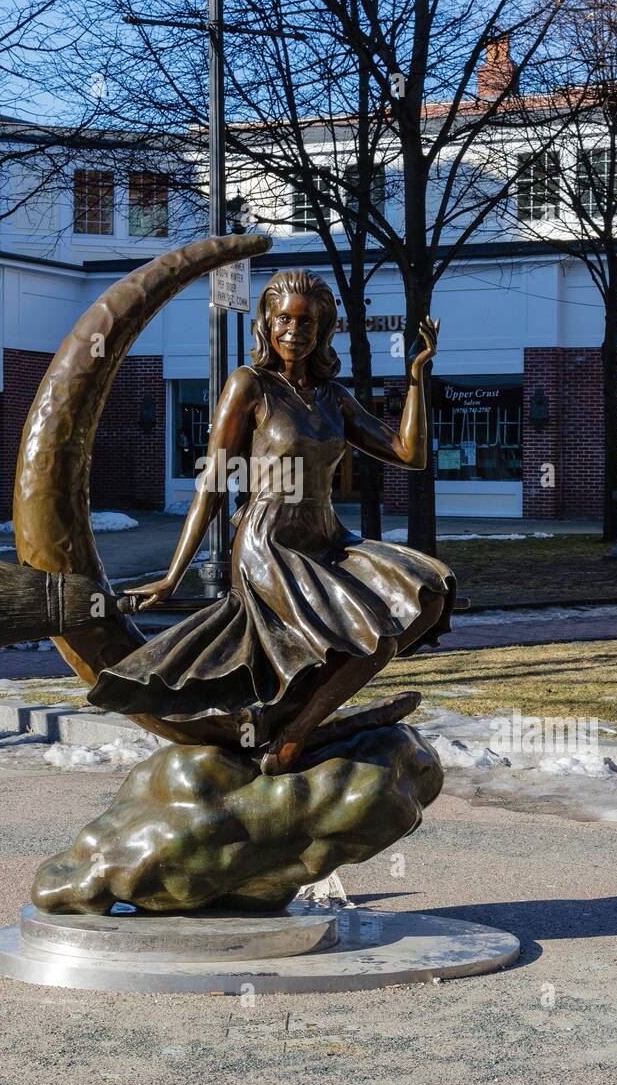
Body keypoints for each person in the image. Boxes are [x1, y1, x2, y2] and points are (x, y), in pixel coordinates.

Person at [88, 269, 455, 775]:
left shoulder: (333, 396)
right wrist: (176, 575)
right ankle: (296, 733)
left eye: (308, 322)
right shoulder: (250, 385)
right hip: (270, 544)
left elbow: (409, 454)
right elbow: (213, 483)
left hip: (326, 537)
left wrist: (417, 376)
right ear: (267, 321)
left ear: (323, 329)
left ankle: (295, 719)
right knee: (376, 635)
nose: (294, 331)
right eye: (284, 318)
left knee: (428, 598)